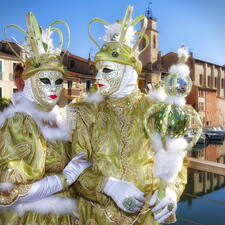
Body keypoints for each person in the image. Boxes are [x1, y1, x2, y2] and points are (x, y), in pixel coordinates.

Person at [69, 6, 188, 225]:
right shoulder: (85, 112)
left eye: (107, 70)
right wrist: (107, 185)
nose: (97, 77)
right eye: (97, 69)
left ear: (128, 72)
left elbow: (177, 161)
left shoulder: (157, 110)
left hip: (145, 219)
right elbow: (76, 171)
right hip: (94, 218)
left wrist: (171, 192)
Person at [0, 13, 90, 225]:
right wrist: (66, 178)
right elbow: (10, 192)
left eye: (58, 81)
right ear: (28, 82)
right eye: (45, 80)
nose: (53, 88)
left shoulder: (58, 118)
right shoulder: (19, 122)